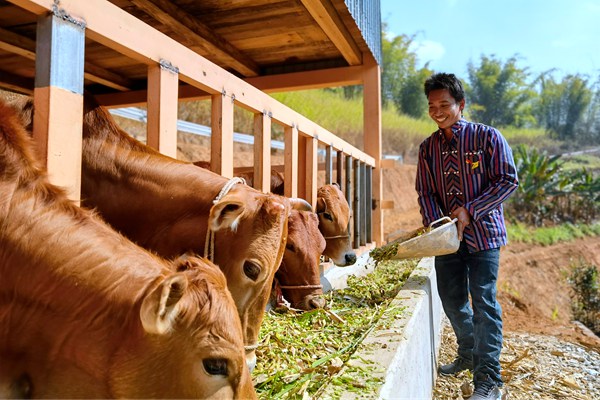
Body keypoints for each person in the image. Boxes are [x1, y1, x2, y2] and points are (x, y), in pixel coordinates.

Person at [415, 73, 519, 400]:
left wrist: (469, 210)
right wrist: (439, 224)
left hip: (484, 237)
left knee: (484, 302)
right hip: (447, 241)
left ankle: (488, 380)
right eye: (432, 106)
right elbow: (426, 193)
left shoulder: (488, 138)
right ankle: (467, 353)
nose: (437, 111)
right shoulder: (428, 148)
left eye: (444, 104)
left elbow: (507, 180)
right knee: (451, 299)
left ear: (460, 104)